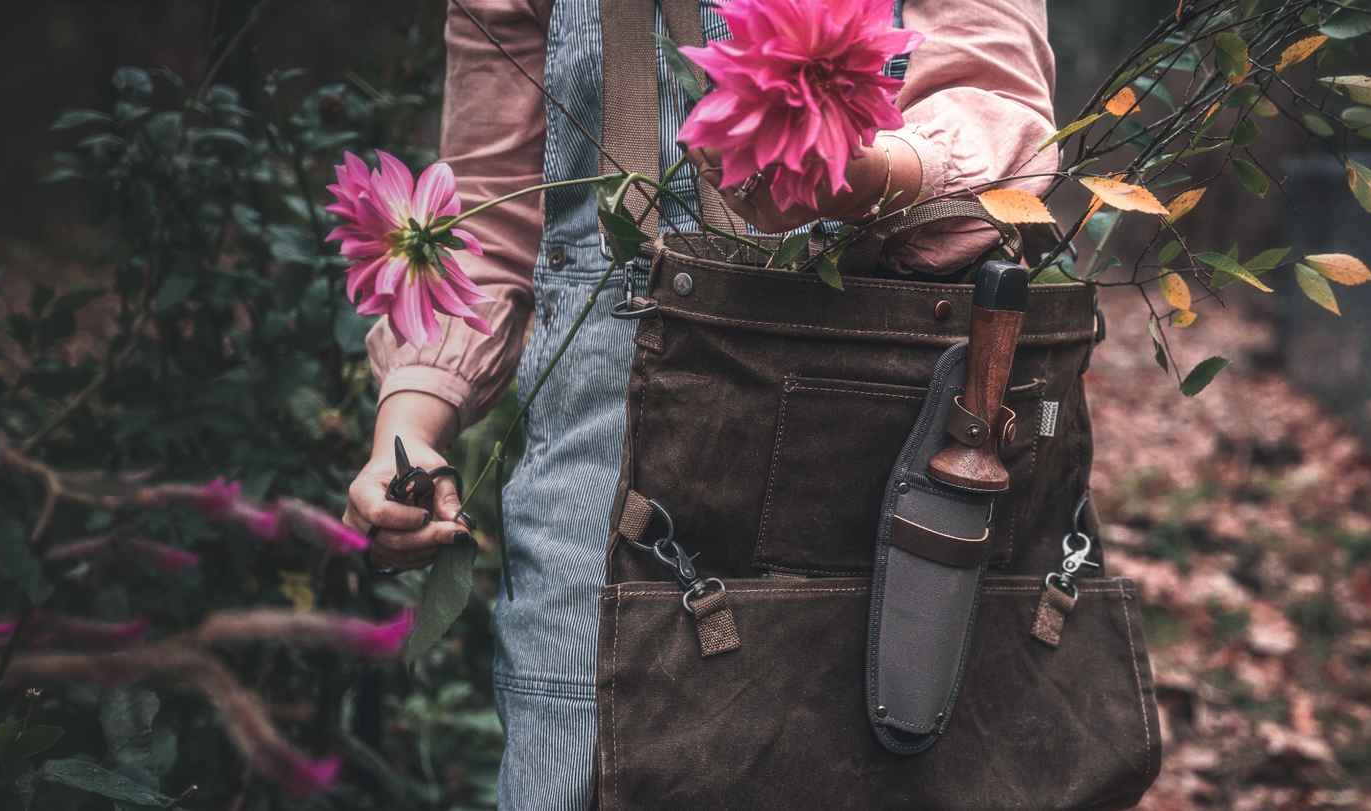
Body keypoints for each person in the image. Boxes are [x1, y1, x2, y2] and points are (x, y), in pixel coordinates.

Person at [339, 1, 1058, 807]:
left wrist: (855, 177)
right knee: (580, 766)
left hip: (872, 471)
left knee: (872, 755)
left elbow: (1001, 122)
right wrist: (407, 425)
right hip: (596, 497)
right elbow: (487, 210)